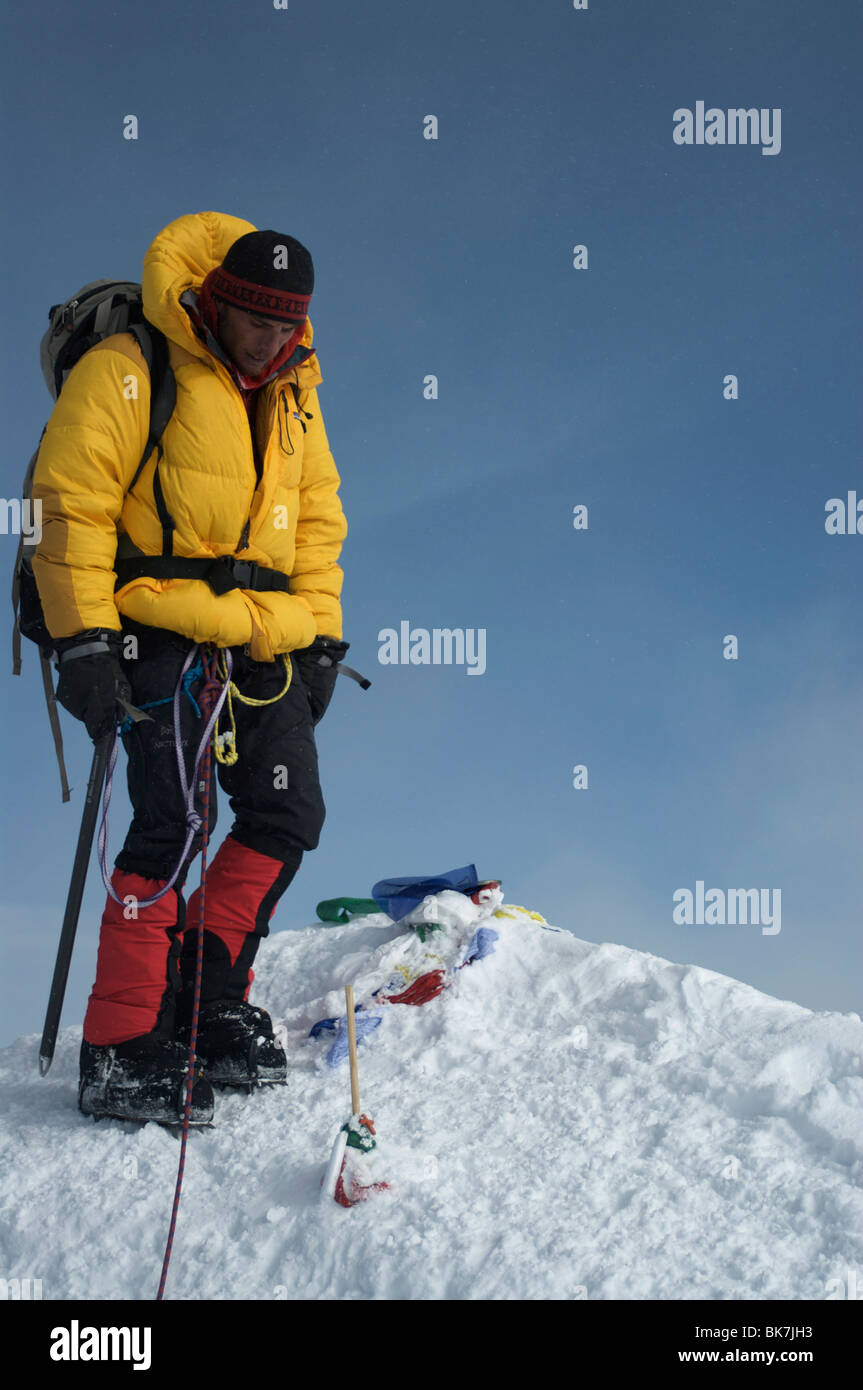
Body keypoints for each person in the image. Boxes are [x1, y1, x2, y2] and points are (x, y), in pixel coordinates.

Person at [31, 211, 349, 1124]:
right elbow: (71, 504)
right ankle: (124, 1046)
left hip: (267, 635)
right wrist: (84, 640)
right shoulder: (135, 364)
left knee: (287, 813)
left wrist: (322, 637)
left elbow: (318, 521)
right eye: (258, 322)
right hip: (154, 626)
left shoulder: (294, 392)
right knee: (172, 822)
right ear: (217, 304)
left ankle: (204, 1005)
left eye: (290, 325)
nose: (274, 339)